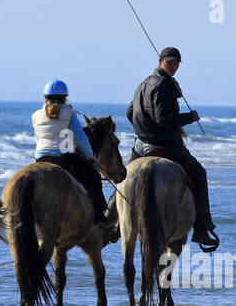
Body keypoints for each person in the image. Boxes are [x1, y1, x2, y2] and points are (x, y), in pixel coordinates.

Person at [124, 46, 219, 251]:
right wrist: (189, 118)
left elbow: (129, 112)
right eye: (170, 62)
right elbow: (164, 119)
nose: (173, 66)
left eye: (176, 63)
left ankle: (110, 219)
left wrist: (144, 128)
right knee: (199, 174)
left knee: (125, 177)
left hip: (141, 145)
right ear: (161, 62)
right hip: (164, 144)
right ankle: (202, 229)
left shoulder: (142, 84)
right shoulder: (165, 86)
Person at [32, 80, 114, 228]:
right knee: (94, 176)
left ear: (45, 97)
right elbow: (80, 138)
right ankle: (99, 216)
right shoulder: (69, 113)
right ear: (65, 98)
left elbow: (40, 138)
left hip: (40, 157)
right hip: (63, 156)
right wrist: (90, 155)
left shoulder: (36, 115)